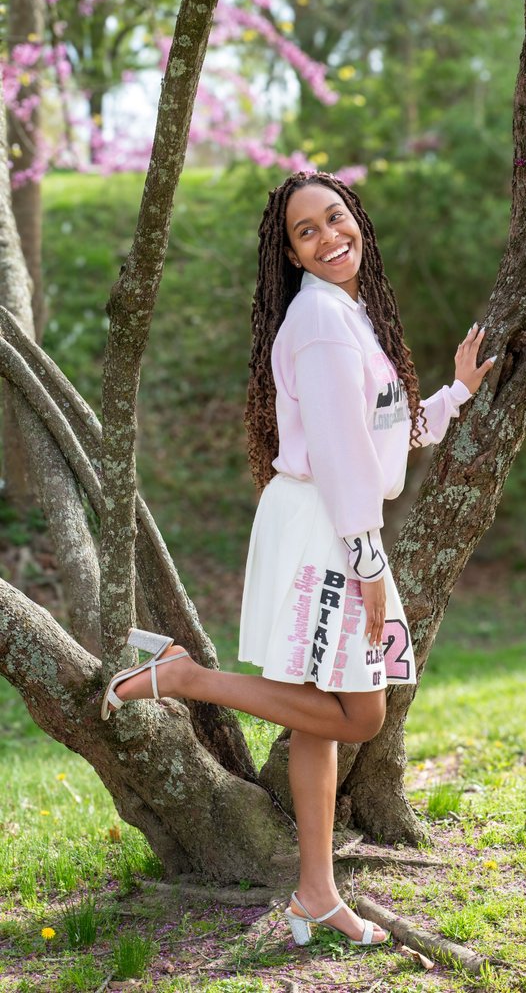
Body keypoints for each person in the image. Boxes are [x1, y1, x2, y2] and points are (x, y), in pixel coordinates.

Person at [101, 171, 495, 946]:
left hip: (332, 521)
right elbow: (343, 459)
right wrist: (367, 563)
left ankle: (316, 893)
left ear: (358, 223)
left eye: (335, 218)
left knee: (320, 722)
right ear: (288, 253)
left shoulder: (346, 315)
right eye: (305, 231)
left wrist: (454, 393)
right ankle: (183, 677)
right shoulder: (318, 321)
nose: (327, 237)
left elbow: (375, 435)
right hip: (327, 529)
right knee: (360, 713)